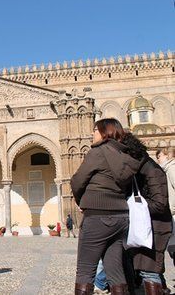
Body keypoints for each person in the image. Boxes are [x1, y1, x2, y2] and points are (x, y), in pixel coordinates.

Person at [71, 118, 141, 295]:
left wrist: (82, 201)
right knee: (115, 270)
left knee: (86, 271)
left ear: (104, 132)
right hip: (121, 217)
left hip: (97, 217)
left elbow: (78, 180)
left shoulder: (98, 152)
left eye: (95, 130)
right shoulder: (127, 156)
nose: (92, 133)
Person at [122, 133, 172, 295]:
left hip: (155, 228)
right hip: (144, 227)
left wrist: (134, 208)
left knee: (149, 270)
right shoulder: (137, 169)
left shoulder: (151, 169)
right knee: (146, 269)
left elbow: (160, 203)